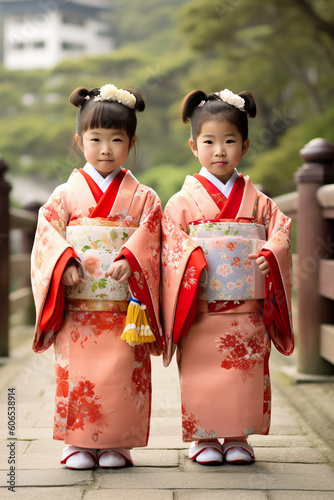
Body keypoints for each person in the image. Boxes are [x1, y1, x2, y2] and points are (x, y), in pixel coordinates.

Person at [31, 83, 164, 470]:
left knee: (124, 374)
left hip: (126, 308)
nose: (105, 149)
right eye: (95, 139)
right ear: (79, 141)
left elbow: (154, 232)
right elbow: (48, 235)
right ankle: (77, 443)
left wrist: (133, 257)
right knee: (78, 374)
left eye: (116, 139)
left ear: (131, 143)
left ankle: (117, 443)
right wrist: (65, 262)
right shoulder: (64, 195)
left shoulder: (144, 197)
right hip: (80, 310)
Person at [161, 88, 293, 465]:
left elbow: (280, 230)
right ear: (193, 146)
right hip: (200, 307)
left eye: (229, 141)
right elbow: (170, 245)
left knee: (245, 371)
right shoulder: (181, 203)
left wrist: (272, 252)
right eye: (209, 141)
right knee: (202, 370)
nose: (219, 151)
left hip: (247, 309)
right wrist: (190, 262)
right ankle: (203, 438)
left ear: (245, 146)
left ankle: (238, 436)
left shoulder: (260, 201)